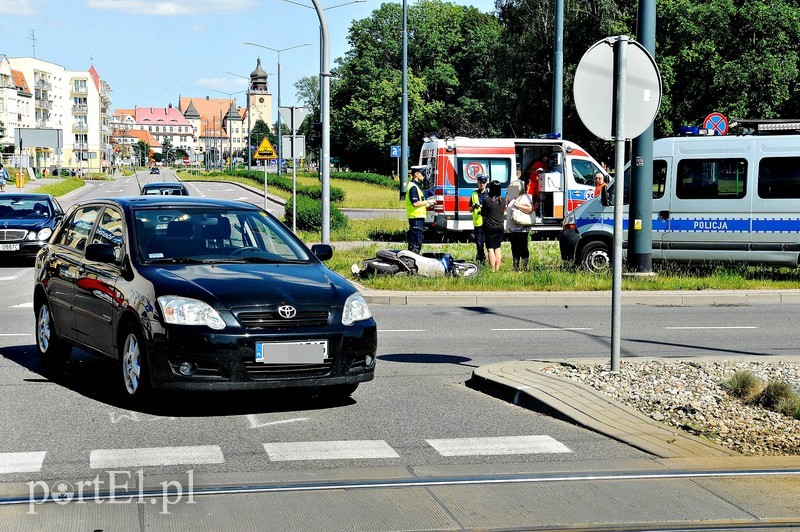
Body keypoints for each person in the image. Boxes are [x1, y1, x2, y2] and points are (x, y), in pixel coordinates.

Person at [506, 174, 533, 271]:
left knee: (523, 247)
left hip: (522, 227)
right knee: (514, 247)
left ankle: (524, 267)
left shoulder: (525, 197)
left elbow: (530, 209)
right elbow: (508, 207)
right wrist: (509, 196)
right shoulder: (513, 197)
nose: (511, 188)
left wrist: (518, 205)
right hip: (512, 227)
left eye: (513, 187)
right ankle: (516, 267)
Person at [405, 165, 433, 254]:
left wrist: (428, 203)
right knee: (416, 241)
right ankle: (412, 260)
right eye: (423, 174)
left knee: (417, 240)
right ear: (416, 174)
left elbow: (420, 202)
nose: (424, 176)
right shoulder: (413, 187)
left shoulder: (416, 186)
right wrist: (430, 201)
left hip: (418, 216)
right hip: (415, 217)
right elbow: (415, 203)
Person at [481, 180, 505, 272]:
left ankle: (492, 270)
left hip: (490, 227)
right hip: (500, 226)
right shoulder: (503, 200)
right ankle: (497, 269)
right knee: (497, 248)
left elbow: (483, 213)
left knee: (490, 248)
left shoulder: (487, 200)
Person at [469, 174, 489, 264]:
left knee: (489, 242)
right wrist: (473, 207)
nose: (482, 184)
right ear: (477, 182)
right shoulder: (474, 194)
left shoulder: (489, 194)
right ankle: (481, 258)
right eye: (480, 182)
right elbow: (470, 209)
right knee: (479, 242)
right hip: (478, 221)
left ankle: (491, 260)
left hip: (488, 221)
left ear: (486, 183)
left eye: (484, 182)